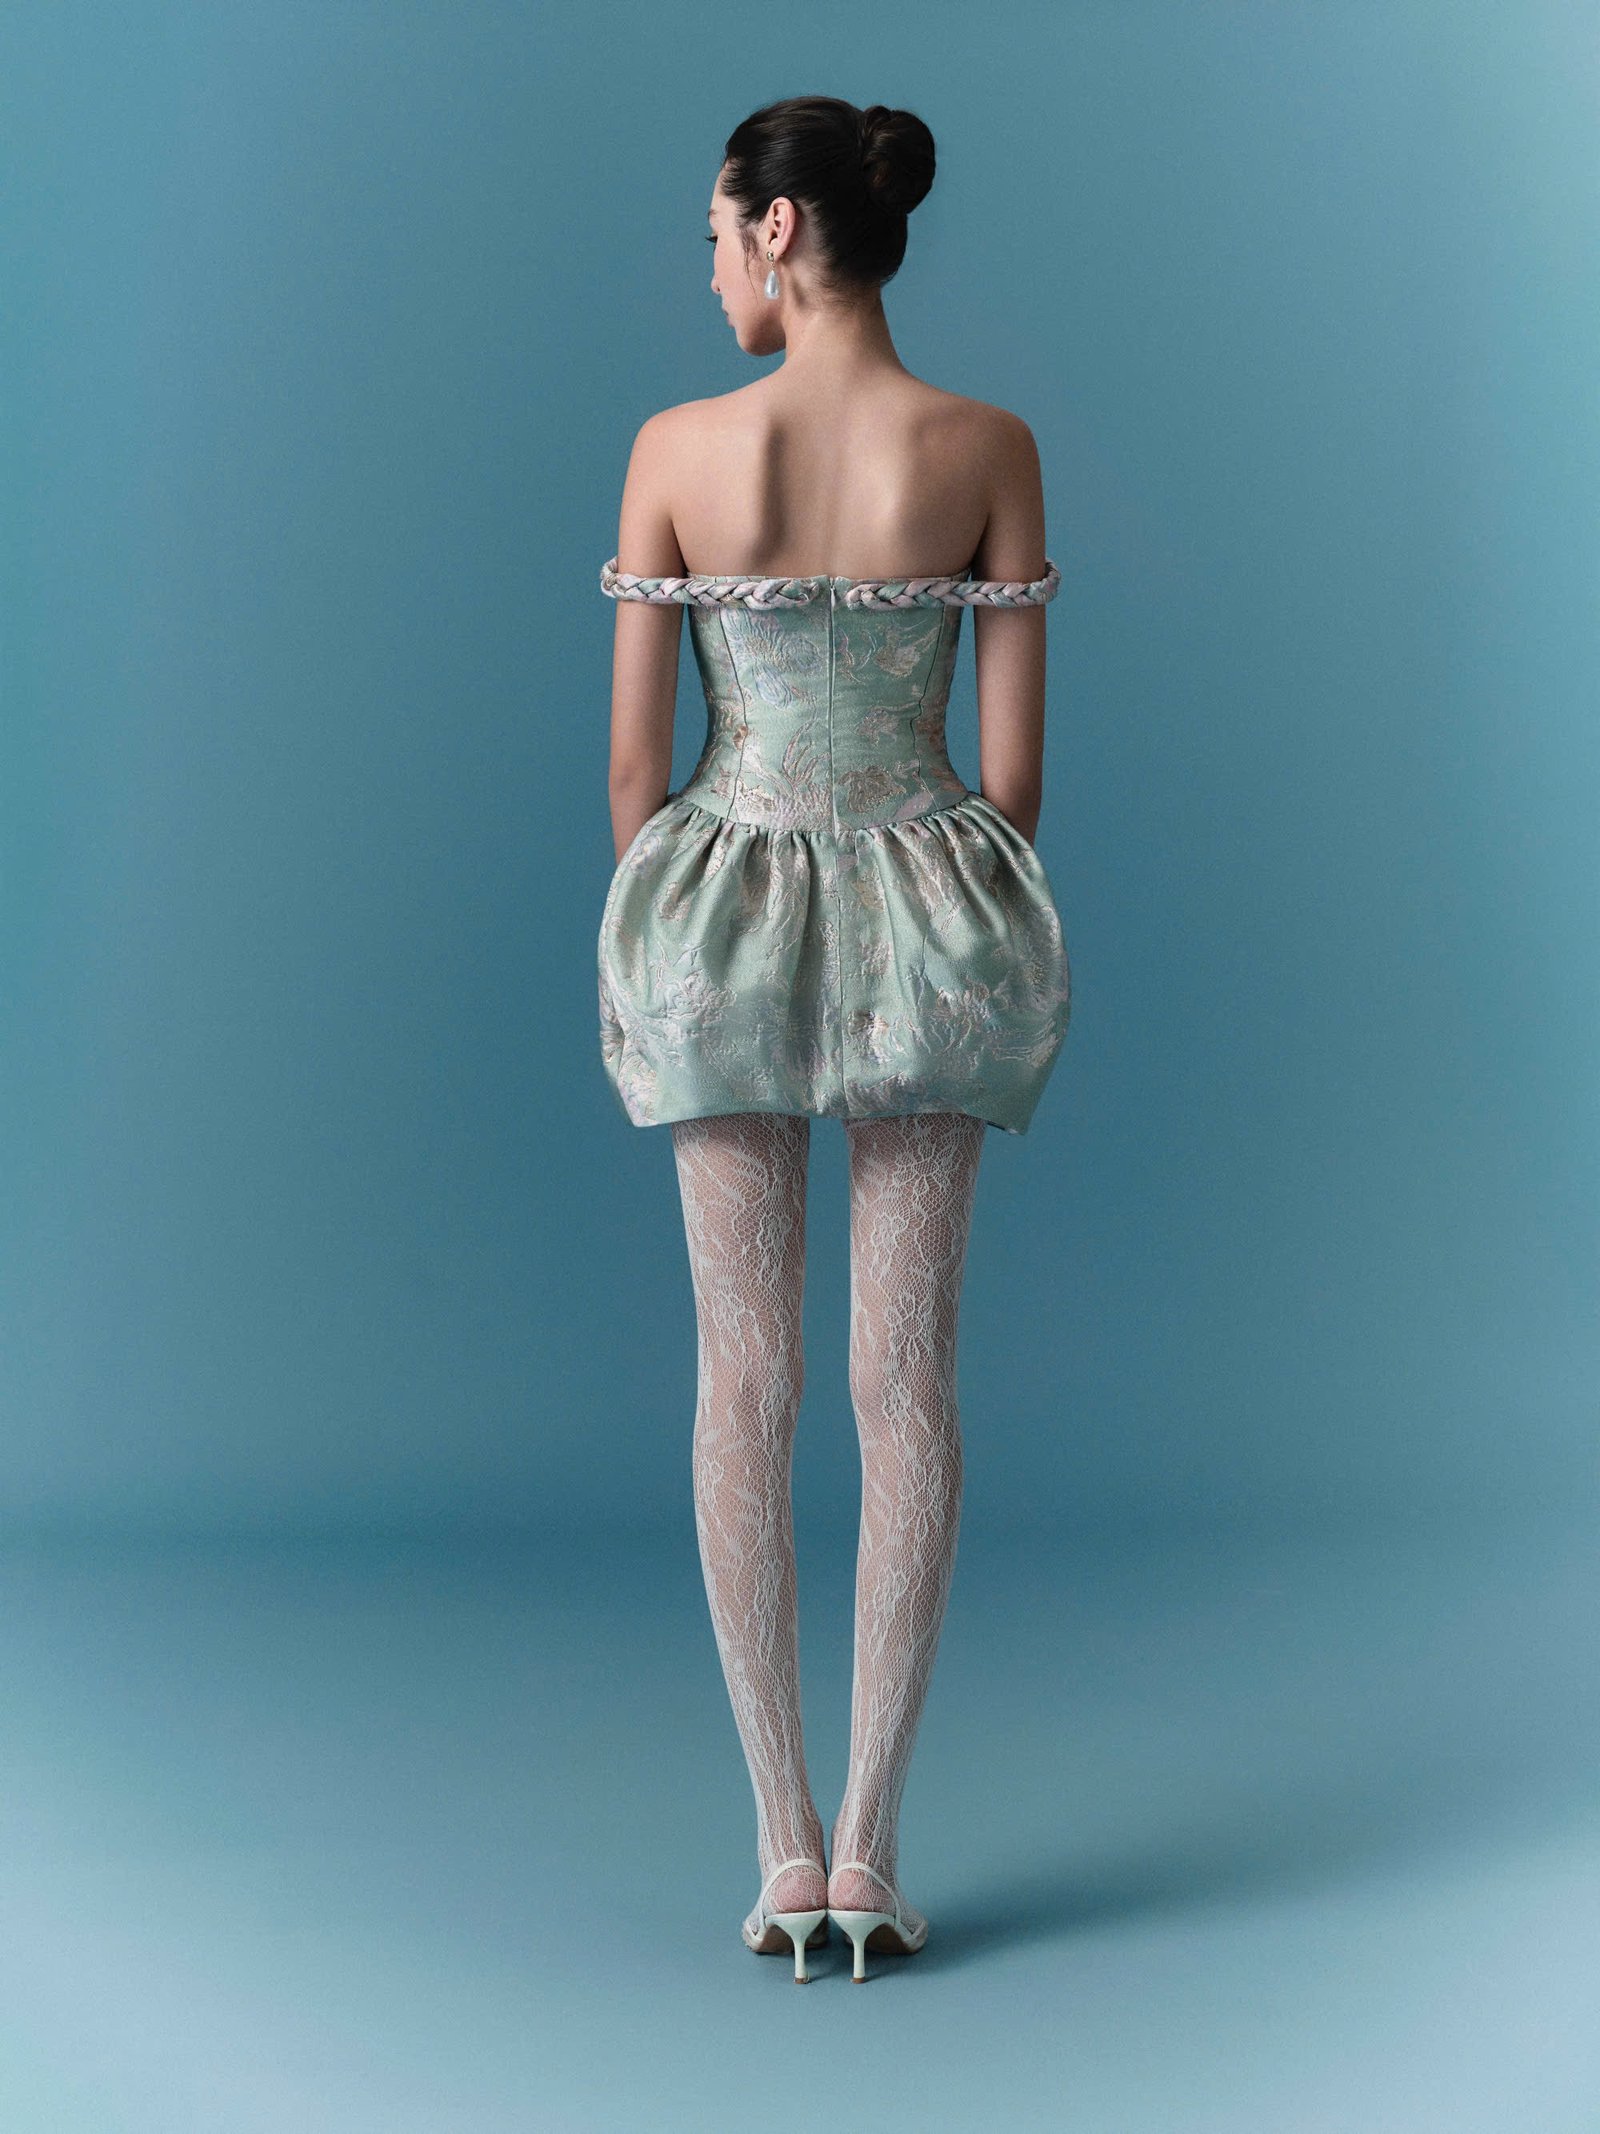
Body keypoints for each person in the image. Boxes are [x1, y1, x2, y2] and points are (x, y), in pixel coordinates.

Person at [595, 96, 1071, 1982]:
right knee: (905, 1380)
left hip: (720, 911)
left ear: (780, 229)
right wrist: (928, 895)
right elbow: (1012, 777)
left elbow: (636, 770)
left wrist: (677, 929)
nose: (709, 264)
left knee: (746, 1377)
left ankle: (780, 1842)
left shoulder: (676, 449)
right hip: (928, 913)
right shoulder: (989, 446)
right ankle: (872, 1846)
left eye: (718, 232)